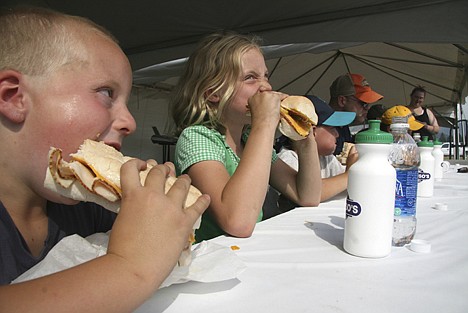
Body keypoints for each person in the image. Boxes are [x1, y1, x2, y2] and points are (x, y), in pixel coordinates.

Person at [0, 7, 208, 312]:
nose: (130, 122)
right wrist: (129, 267)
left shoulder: (85, 208)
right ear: (13, 97)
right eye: (106, 93)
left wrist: (156, 214)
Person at [170, 32, 322, 241]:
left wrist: (305, 141)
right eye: (250, 77)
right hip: (209, 260)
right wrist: (265, 124)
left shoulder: (249, 139)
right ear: (213, 92)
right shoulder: (197, 137)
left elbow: (307, 196)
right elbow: (237, 222)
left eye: (266, 76)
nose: (266, 87)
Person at [276, 96, 358, 210]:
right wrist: (351, 174)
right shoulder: (288, 159)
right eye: (332, 129)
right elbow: (313, 194)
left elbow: (341, 187)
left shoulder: (327, 159)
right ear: (312, 131)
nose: (337, 135)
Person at [328, 73, 383, 155]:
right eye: (363, 103)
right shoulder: (323, 128)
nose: (367, 108)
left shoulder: (343, 124)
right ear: (342, 100)